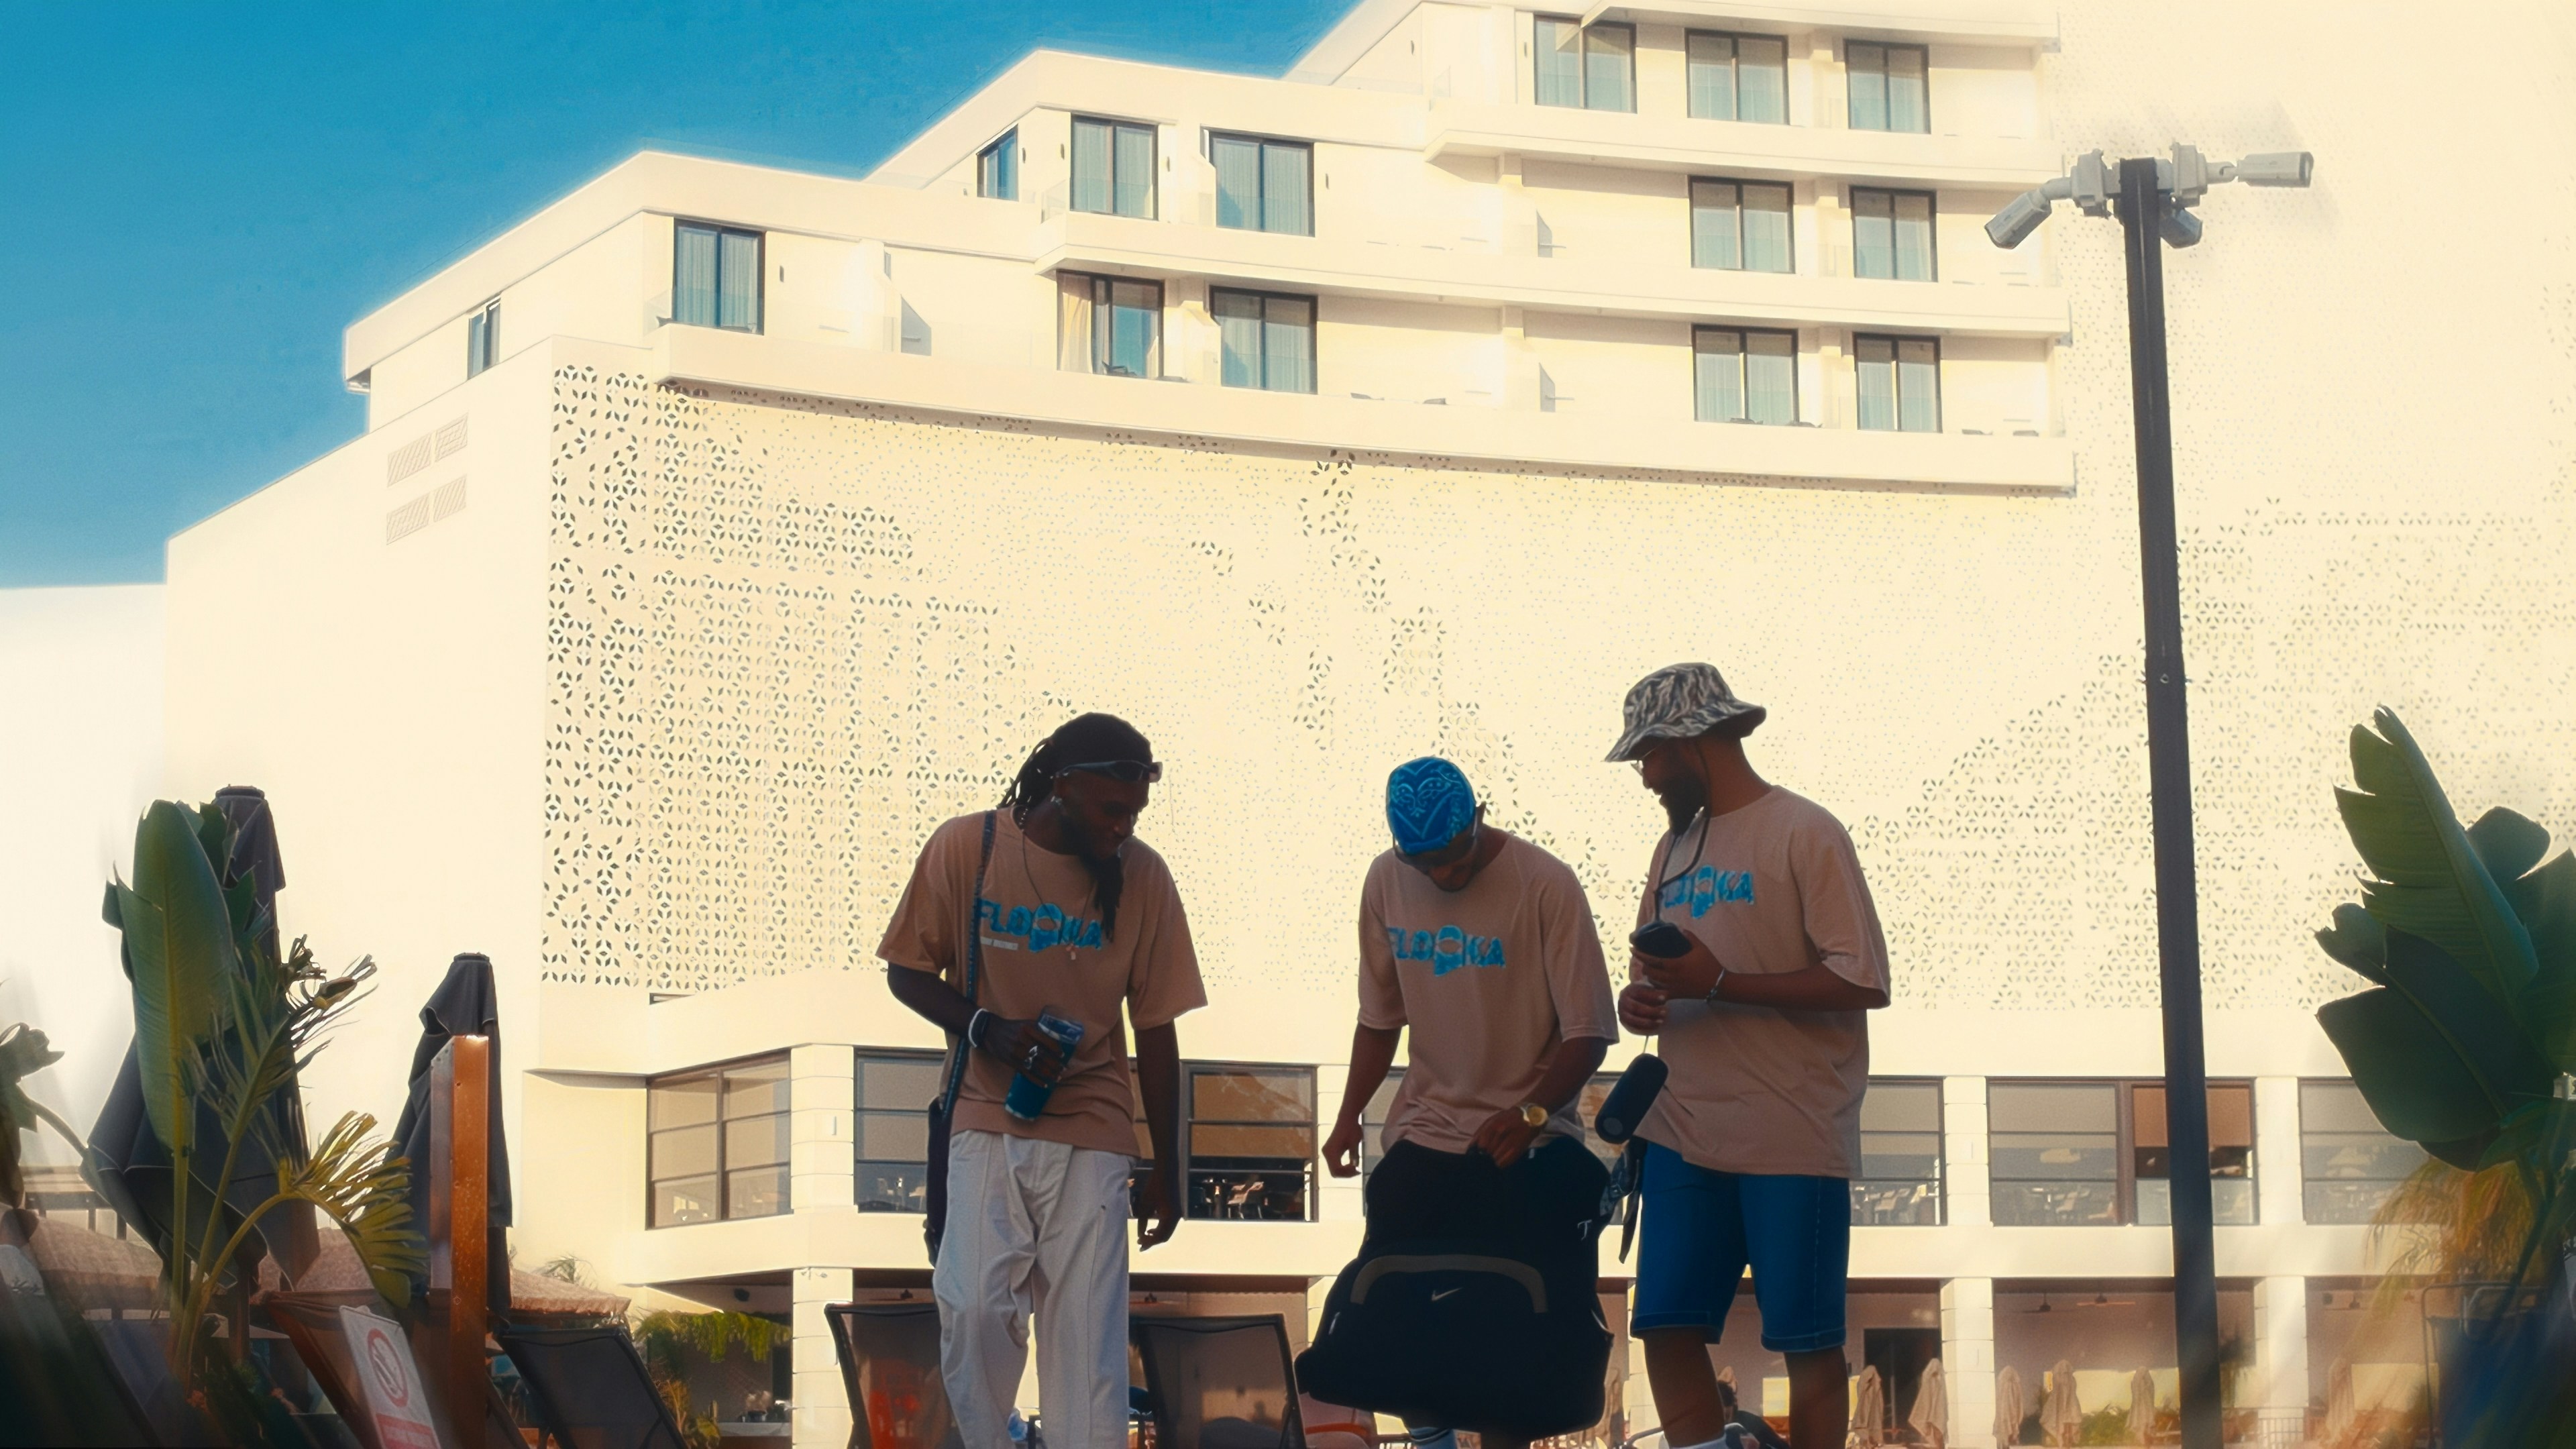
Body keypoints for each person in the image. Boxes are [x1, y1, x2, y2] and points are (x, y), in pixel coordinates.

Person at [879, 713, 1205, 1449]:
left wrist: (1168, 1171)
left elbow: (1157, 1030)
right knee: (972, 1309)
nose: (1124, 828)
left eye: (1135, 813)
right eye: (1111, 810)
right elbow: (905, 968)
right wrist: (984, 1028)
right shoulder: (969, 847)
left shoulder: (1145, 876)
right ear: (1062, 787)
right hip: (984, 1111)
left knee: (1087, 1345)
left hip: (1093, 1128)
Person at [1605, 664, 1891, 1449]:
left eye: (1649, 757)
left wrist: (1722, 982)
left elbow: (1862, 980)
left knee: (1806, 1343)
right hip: (1683, 1127)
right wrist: (1642, 999)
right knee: (1662, 1325)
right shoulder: (1671, 849)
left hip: (1792, 1128)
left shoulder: (1806, 831)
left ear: (1694, 741)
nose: (1644, 777)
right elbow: (1654, 974)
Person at [1320, 756, 1621, 1449]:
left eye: (1453, 858)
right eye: (1424, 863)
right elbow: (1379, 1019)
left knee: (1506, 1339)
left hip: (1528, 1137)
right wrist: (1345, 1116)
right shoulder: (1386, 880)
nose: (1443, 876)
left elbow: (1589, 1034)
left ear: (1478, 819)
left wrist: (1531, 1115)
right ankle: (1431, 1442)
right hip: (1425, 1129)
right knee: (1393, 1314)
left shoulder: (1544, 884)